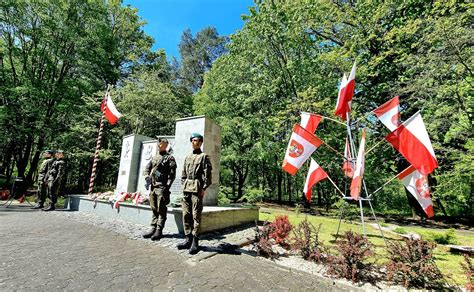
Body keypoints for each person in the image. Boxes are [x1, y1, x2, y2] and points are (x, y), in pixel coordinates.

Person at [177, 133, 212, 254]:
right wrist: (184, 183)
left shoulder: (204, 156)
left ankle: (195, 241)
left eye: (196, 140)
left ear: (201, 142)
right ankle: (188, 239)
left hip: (197, 189)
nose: (193, 142)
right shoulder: (187, 157)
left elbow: (208, 176)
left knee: (196, 216)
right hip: (187, 188)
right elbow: (183, 173)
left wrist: (203, 189)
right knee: (186, 214)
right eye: (192, 140)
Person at [142, 138, 176, 241]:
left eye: (162, 144)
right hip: (153, 186)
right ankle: (153, 227)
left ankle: (159, 229)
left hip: (161, 187)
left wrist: (167, 187)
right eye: (159, 143)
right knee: (154, 208)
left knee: (161, 209)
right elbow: (147, 168)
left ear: (166, 145)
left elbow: (172, 174)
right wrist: (147, 176)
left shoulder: (169, 158)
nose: (160, 145)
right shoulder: (154, 157)